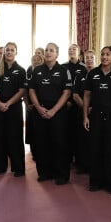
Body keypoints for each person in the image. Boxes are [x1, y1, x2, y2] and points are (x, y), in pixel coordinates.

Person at [83, 46, 111, 195]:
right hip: (95, 116)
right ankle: (95, 182)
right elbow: (87, 96)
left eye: (108, 54)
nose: (104, 57)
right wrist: (85, 116)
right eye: (102, 54)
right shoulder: (93, 74)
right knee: (95, 149)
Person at [28, 42, 73, 185]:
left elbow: (67, 92)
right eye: (46, 50)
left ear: (57, 54)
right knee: (42, 143)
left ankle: (61, 175)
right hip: (40, 112)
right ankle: (44, 173)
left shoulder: (63, 70)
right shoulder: (37, 70)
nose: (48, 53)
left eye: (51, 50)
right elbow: (31, 90)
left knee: (59, 144)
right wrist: (38, 107)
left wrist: (54, 110)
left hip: (58, 113)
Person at [0, 42, 27, 176]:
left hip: (14, 108)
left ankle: (18, 168)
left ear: (16, 52)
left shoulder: (21, 70)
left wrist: (8, 103)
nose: (9, 52)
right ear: (4, 52)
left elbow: (22, 90)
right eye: (7, 50)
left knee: (15, 137)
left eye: (12, 50)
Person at [62, 43, 87, 168]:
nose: (71, 51)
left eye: (74, 49)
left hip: (79, 104)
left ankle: (79, 160)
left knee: (78, 134)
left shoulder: (84, 67)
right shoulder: (63, 67)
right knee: (66, 133)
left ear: (79, 53)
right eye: (69, 49)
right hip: (65, 104)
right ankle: (67, 158)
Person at [72, 49, 96, 174]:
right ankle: (82, 166)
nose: (89, 60)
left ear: (95, 59)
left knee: (94, 140)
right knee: (81, 140)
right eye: (87, 58)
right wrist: (86, 108)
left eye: (92, 57)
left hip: (96, 113)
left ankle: (94, 166)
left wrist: (93, 108)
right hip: (81, 112)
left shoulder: (99, 74)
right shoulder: (79, 75)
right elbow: (75, 95)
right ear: (83, 59)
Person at [25, 53, 44, 159]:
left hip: (41, 106)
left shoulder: (44, 71)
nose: (36, 61)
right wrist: (27, 103)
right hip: (30, 106)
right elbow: (25, 90)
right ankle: (34, 153)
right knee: (31, 131)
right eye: (34, 59)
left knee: (40, 131)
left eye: (39, 59)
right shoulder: (28, 70)